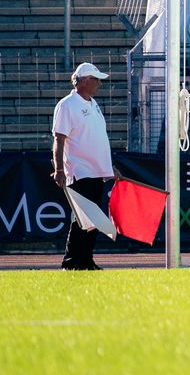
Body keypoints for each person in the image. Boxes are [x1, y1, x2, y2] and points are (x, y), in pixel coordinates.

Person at [52, 62, 114, 270]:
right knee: (82, 219)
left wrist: (109, 167)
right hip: (80, 171)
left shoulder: (92, 103)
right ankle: (72, 261)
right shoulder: (67, 105)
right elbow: (59, 139)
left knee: (92, 220)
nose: (99, 84)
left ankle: (85, 260)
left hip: (96, 172)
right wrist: (60, 169)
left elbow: (96, 139)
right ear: (84, 80)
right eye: (96, 79)